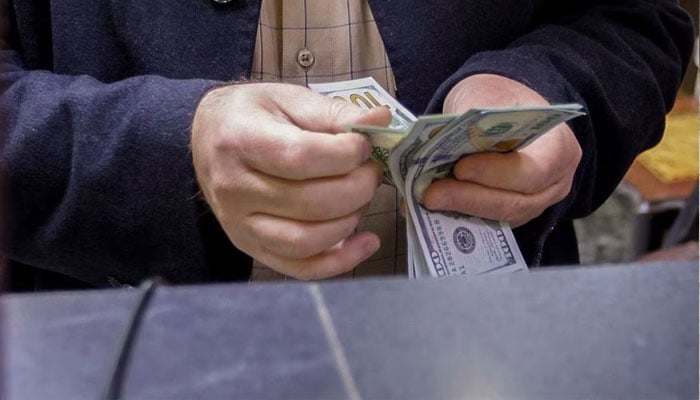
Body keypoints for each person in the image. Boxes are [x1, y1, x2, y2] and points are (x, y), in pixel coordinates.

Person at [1, 1, 694, 290]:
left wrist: (546, 85)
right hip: (129, 350)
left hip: (487, 352)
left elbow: (637, 21)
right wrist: (169, 150)